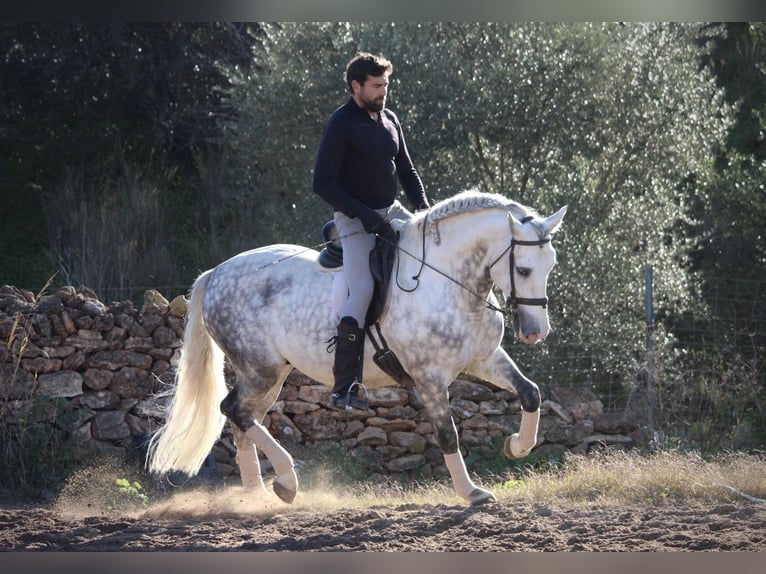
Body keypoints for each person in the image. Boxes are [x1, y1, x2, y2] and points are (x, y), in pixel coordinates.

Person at [313, 52, 430, 411]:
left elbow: (407, 172)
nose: (384, 92)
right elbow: (322, 183)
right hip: (353, 218)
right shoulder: (342, 123)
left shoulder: (390, 118)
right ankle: (344, 387)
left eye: (386, 85)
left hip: (391, 210)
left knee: (428, 258)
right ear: (356, 86)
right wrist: (365, 216)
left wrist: (426, 211)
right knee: (362, 289)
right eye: (377, 86)